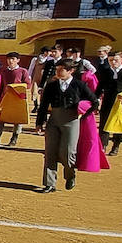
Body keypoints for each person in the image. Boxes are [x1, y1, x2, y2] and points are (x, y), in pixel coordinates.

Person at [34, 58, 98, 192]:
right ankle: (49, 184)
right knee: (50, 152)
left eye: (61, 69)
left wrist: (83, 116)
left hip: (72, 120)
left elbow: (94, 102)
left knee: (68, 153)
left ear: (71, 71)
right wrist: (40, 122)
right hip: (54, 120)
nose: (57, 71)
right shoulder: (51, 85)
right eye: (57, 69)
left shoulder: (79, 85)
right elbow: (44, 105)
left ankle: (70, 175)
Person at [94, 52, 122, 155]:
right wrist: (95, 99)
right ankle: (102, 147)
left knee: (119, 125)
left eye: (115, 60)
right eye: (110, 60)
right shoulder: (105, 72)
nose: (113, 62)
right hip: (108, 101)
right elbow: (100, 87)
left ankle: (116, 146)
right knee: (104, 125)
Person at [0, 52, 31, 147]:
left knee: (17, 120)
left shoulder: (23, 71)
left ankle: (14, 139)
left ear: (18, 60)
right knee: (0, 118)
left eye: (13, 59)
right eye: (9, 59)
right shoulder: (4, 71)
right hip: (5, 97)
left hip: (18, 98)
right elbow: (1, 84)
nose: (10, 61)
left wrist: (16, 88)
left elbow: (28, 84)